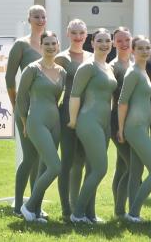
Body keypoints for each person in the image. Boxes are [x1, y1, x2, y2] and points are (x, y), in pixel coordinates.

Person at [67, 28, 118, 224]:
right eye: (100, 40)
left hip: (104, 123)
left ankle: (90, 214)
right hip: (88, 121)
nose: (104, 44)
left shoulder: (108, 68)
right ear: (92, 43)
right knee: (100, 169)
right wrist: (73, 120)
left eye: (107, 40)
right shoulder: (87, 67)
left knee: (92, 169)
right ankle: (77, 213)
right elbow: (74, 94)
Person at [17, 31, 67, 222]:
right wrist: (24, 123)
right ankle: (28, 206)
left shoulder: (61, 71)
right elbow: (22, 98)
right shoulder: (32, 69)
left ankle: (36, 211)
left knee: (44, 167)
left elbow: (56, 99)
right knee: (56, 166)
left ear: (58, 46)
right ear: (41, 45)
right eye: (46, 43)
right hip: (36, 121)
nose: (50, 47)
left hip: (55, 123)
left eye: (54, 43)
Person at [5, 5, 46, 215]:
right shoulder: (20, 45)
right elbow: (9, 78)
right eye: (36, 16)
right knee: (30, 157)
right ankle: (18, 205)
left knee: (40, 158)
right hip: (25, 108)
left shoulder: (49, 43)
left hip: (44, 108)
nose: (40, 20)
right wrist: (15, 104)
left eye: (43, 16)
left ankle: (34, 204)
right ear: (28, 19)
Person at [117, 35, 151, 223]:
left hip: (141, 128)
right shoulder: (133, 72)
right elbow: (122, 101)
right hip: (133, 129)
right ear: (133, 51)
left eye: (147, 48)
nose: (145, 51)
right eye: (140, 48)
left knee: (135, 173)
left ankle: (127, 214)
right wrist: (120, 130)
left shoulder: (143, 71)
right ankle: (133, 212)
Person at [55, 19, 92, 220]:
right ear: (68, 34)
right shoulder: (61, 58)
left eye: (81, 33)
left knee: (82, 161)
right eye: (74, 32)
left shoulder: (92, 57)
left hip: (88, 115)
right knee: (67, 162)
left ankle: (79, 205)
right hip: (67, 114)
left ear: (86, 35)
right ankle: (66, 210)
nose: (78, 36)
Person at [109, 27, 134, 218]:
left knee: (121, 165)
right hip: (118, 122)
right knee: (132, 164)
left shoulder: (135, 63)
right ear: (113, 43)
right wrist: (120, 127)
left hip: (134, 122)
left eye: (127, 40)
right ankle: (120, 211)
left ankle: (119, 210)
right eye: (120, 41)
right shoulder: (113, 67)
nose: (124, 44)